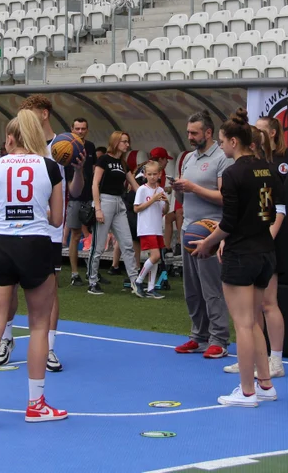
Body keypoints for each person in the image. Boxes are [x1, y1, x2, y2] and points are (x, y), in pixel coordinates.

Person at [0, 110, 67, 429]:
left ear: (11, 138)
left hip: (0, 244)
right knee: (39, 326)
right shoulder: (49, 166)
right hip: (36, 244)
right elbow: (56, 219)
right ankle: (35, 404)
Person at [191, 108, 283, 407]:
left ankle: (246, 391)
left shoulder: (232, 174)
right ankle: (265, 384)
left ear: (233, 141)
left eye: (222, 140)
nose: (221, 145)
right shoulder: (267, 168)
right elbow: (268, 214)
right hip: (265, 251)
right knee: (254, 322)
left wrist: (208, 242)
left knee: (243, 324)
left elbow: (229, 222)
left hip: (241, 253)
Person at [0, 95, 85, 374]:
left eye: (29, 112)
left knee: (49, 289)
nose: (25, 118)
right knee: (8, 288)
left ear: (44, 114)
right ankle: (6, 338)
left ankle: (49, 345)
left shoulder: (62, 146)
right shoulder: (18, 145)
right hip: (15, 227)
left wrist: (79, 171)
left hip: (48, 228)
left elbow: (76, 190)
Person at [224, 126, 287, 378]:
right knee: (251, 317)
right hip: (257, 243)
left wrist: (262, 236)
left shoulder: (269, 168)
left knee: (262, 309)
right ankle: (256, 367)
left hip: (254, 246)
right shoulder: (260, 169)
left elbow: (278, 211)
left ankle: (272, 364)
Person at [172, 111, 233, 359]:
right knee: (192, 289)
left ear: (208, 132)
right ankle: (198, 336)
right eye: (188, 132)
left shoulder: (222, 158)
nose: (190, 137)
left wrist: (193, 187)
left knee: (211, 287)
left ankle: (219, 338)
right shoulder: (188, 158)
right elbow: (186, 196)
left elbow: (225, 197)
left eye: (194, 133)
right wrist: (178, 190)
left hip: (210, 230)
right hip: (189, 228)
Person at [87, 131, 140, 295]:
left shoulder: (123, 163)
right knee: (98, 246)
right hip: (106, 201)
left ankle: (135, 281)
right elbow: (95, 184)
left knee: (127, 244)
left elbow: (135, 185)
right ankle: (92, 281)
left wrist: (151, 196)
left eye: (127, 142)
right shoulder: (104, 159)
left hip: (119, 202)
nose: (127, 145)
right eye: (124, 141)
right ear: (116, 142)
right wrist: (98, 208)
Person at [65, 118, 95, 286]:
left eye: (83, 128)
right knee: (75, 235)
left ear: (87, 130)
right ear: (72, 129)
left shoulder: (90, 146)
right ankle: (74, 274)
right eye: (77, 128)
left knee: (95, 235)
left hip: (90, 197)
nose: (80, 131)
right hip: (75, 198)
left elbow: (93, 171)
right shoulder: (66, 148)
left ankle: (93, 272)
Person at [132, 160, 168, 299]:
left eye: (155, 174)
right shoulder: (142, 189)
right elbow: (136, 208)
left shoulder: (160, 190)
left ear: (159, 174)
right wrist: (153, 200)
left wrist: (166, 202)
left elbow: (163, 211)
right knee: (155, 256)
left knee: (155, 259)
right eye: (150, 174)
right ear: (145, 175)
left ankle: (151, 288)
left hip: (157, 228)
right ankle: (139, 281)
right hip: (146, 228)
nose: (152, 177)